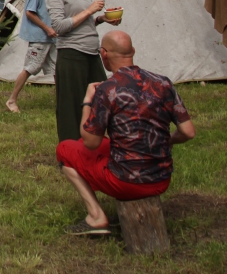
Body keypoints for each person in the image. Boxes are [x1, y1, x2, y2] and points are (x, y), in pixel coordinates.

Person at [56, 31, 195, 235]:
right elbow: (188, 132)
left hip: (126, 181)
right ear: (133, 51)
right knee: (106, 146)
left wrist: (87, 101)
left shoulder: (108, 89)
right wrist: (169, 142)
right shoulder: (163, 83)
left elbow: (90, 142)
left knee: (65, 149)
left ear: (103, 54)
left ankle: (96, 216)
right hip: (162, 179)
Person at [47, 0, 122, 142]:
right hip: (71, 54)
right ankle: (70, 152)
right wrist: (89, 11)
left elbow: (82, 22)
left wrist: (101, 19)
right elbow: (59, 27)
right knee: (71, 108)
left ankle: (96, 145)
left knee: (102, 101)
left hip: (91, 52)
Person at [6, 0, 59, 113]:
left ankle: (62, 102)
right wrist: (46, 28)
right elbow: (30, 12)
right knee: (30, 67)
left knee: (58, 70)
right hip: (40, 37)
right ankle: (12, 100)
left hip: (51, 37)